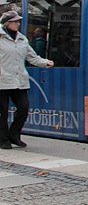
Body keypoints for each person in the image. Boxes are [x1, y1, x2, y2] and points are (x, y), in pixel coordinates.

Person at [0, 10, 54, 149]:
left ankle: (14, 134)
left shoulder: (22, 39)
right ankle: (3, 139)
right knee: (3, 111)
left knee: (24, 108)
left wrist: (45, 62)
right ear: (7, 23)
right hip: (2, 80)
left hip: (20, 81)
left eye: (18, 21)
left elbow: (32, 57)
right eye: (15, 21)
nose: (18, 23)